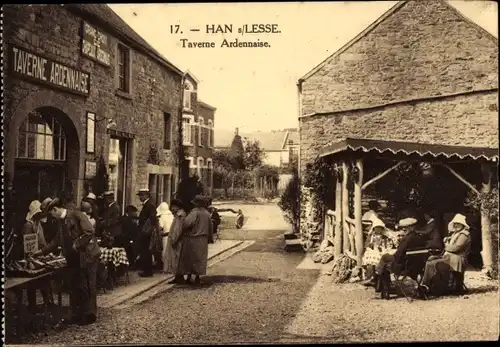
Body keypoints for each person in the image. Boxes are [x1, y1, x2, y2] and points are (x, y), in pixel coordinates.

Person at [32, 198, 101, 326]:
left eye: (51, 214)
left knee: (88, 284)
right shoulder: (61, 222)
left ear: (55, 209)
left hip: (88, 254)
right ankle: (77, 314)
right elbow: (56, 241)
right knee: (77, 284)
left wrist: (77, 244)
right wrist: (41, 252)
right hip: (75, 257)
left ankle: (90, 315)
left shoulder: (76, 214)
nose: (51, 217)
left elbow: (89, 231)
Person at [363, 217, 428, 287]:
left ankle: (378, 281)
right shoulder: (420, 237)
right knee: (386, 258)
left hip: (403, 266)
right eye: (402, 228)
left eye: (404, 228)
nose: (402, 230)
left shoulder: (406, 239)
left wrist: (393, 253)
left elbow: (398, 255)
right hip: (417, 265)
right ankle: (376, 278)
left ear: (411, 228)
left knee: (385, 258)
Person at [418, 213, 472, 297]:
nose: (456, 225)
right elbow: (450, 244)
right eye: (455, 223)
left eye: (458, 224)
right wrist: (447, 240)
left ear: (462, 225)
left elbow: (455, 248)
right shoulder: (455, 234)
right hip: (450, 257)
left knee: (432, 263)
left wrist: (444, 245)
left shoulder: (464, 235)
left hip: (458, 258)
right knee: (430, 259)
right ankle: (431, 285)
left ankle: (426, 285)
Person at [178, 195, 214, 285]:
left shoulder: (194, 213)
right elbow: (211, 227)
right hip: (203, 239)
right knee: (200, 259)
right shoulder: (206, 213)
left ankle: (189, 276)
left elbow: (187, 224)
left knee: (190, 258)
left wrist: (182, 220)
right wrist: (209, 238)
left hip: (192, 239)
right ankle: (198, 277)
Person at [23, 200, 52, 312]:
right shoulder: (28, 225)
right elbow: (28, 244)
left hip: (39, 254)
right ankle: (32, 305)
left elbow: (42, 239)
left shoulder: (37, 223)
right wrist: (35, 253)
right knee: (33, 283)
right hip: (30, 256)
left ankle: (46, 302)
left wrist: (45, 251)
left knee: (44, 278)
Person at [164, 199, 188, 284]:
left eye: (173, 207)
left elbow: (177, 230)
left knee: (176, 259)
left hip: (177, 241)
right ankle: (178, 276)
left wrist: (174, 240)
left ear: (178, 207)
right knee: (177, 259)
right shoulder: (179, 215)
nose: (172, 209)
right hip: (178, 240)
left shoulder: (179, 216)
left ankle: (179, 277)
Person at [137, 189, 157, 277]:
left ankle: (147, 271)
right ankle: (146, 269)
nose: (140, 197)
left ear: (146, 195)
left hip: (146, 232)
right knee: (144, 250)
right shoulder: (147, 204)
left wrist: (149, 230)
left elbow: (152, 219)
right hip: (144, 231)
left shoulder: (150, 205)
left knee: (146, 251)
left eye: (141, 195)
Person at [157, 202, 175, 273]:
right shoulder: (172, 216)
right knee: (171, 251)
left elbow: (160, 228)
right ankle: (171, 267)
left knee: (165, 252)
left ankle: (166, 268)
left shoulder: (162, 217)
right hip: (172, 235)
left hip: (165, 236)